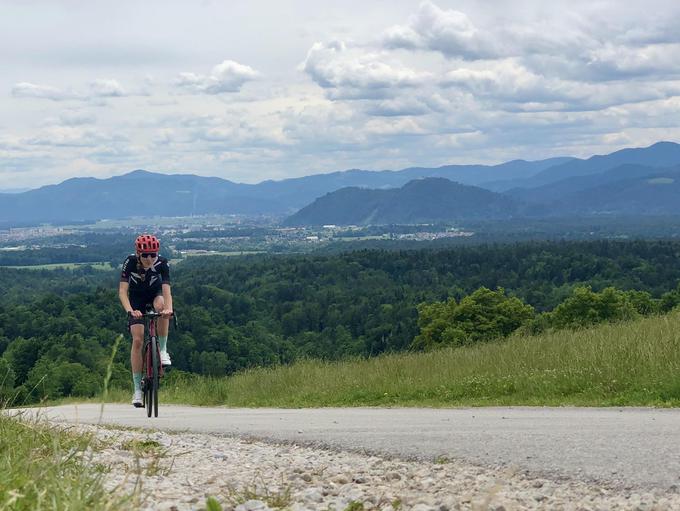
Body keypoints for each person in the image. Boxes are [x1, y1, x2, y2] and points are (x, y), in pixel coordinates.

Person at [118, 234, 173, 407]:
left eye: (153, 255)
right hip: (136, 301)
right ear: (138, 254)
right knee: (137, 339)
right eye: (145, 255)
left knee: (162, 307)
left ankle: (162, 350)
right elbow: (122, 291)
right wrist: (130, 311)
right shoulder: (130, 262)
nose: (149, 258)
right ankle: (137, 390)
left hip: (155, 295)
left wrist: (168, 310)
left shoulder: (162, 263)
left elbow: (166, 290)